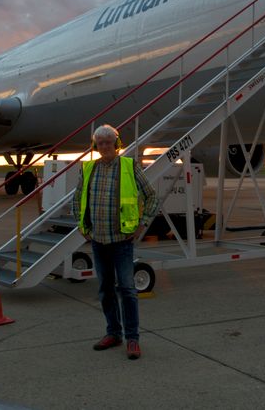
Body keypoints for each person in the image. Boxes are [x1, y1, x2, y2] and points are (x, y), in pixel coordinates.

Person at [71, 124, 159, 360]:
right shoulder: (89, 168)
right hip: (98, 241)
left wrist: (143, 224)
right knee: (105, 290)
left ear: (117, 145)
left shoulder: (129, 166)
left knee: (128, 290)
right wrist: (82, 227)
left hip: (121, 242)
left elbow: (151, 196)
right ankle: (113, 333)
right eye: (101, 143)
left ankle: (132, 338)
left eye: (109, 142)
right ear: (96, 146)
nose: (105, 146)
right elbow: (77, 199)